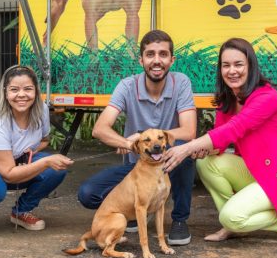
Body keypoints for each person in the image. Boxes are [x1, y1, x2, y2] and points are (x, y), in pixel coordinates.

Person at [163, 38, 277, 242]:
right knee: (206, 163)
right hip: (258, 169)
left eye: (238, 64)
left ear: (250, 66)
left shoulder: (266, 97)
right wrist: (204, 150)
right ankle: (236, 222)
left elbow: (235, 128)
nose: (232, 71)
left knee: (231, 217)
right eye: (226, 65)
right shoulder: (229, 100)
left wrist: (186, 148)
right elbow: (221, 141)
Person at [78, 30, 197, 245]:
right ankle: (133, 212)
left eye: (163, 54)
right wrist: (129, 143)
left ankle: (179, 220)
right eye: (150, 54)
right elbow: (100, 129)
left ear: (172, 59)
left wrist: (151, 137)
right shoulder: (127, 85)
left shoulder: (181, 82)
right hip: (137, 168)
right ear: (141, 59)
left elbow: (189, 131)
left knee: (186, 153)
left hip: (168, 163)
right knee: (88, 194)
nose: (157, 60)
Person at [0, 65, 74, 235]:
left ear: (36, 91)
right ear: (5, 92)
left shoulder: (41, 109)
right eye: (14, 89)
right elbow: (8, 174)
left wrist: (27, 155)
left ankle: (21, 211)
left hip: (13, 161)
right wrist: (44, 162)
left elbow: (44, 140)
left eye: (28, 89)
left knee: (56, 170)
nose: (21, 95)